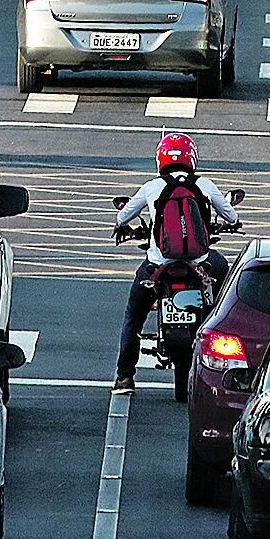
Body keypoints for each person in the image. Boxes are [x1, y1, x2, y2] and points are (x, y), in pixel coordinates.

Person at [113, 133, 241, 393]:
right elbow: (231, 215)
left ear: (160, 159)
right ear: (192, 158)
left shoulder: (152, 187)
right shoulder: (204, 184)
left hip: (158, 265)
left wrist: (121, 226)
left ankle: (124, 377)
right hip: (200, 263)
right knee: (222, 285)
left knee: (134, 315)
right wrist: (231, 222)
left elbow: (124, 215)